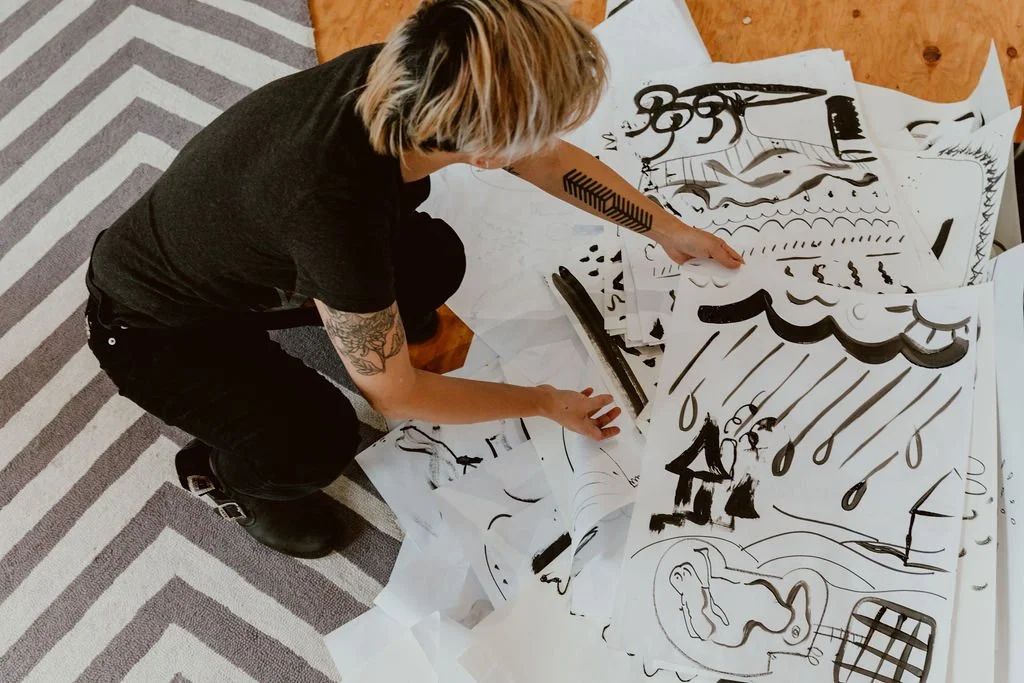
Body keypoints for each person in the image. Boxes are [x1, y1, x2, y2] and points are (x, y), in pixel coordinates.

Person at [84, 0, 743, 559]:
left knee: (435, 259)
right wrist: (544, 401)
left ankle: (343, 320)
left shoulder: (417, 72)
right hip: (150, 330)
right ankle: (224, 475)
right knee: (319, 437)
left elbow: (544, 162)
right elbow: (397, 395)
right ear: (486, 154)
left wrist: (665, 228)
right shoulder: (334, 218)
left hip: (243, 258)